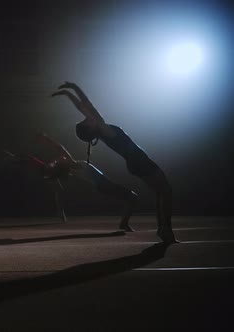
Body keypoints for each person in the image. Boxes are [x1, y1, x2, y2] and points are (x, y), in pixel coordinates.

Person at [52, 81, 177, 243]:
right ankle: (165, 230)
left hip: (135, 163)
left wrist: (68, 94)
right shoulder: (103, 128)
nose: (88, 117)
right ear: (91, 128)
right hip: (139, 161)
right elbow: (88, 106)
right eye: (87, 121)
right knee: (165, 191)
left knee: (162, 192)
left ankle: (163, 229)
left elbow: (82, 107)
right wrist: (74, 88)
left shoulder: (103, 131)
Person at [5, 132, 138, 231]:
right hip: (104, 185)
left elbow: (38, 159)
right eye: (58, 160)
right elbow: (60, 148)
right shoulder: (73, 165)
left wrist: (19, 158)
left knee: (131, 198)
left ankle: (124, 223)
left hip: (104, 185)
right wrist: (45, 139)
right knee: (132, 197)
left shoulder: (72, 166)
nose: (59, 158)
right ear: (64, 164)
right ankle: (124, 223)